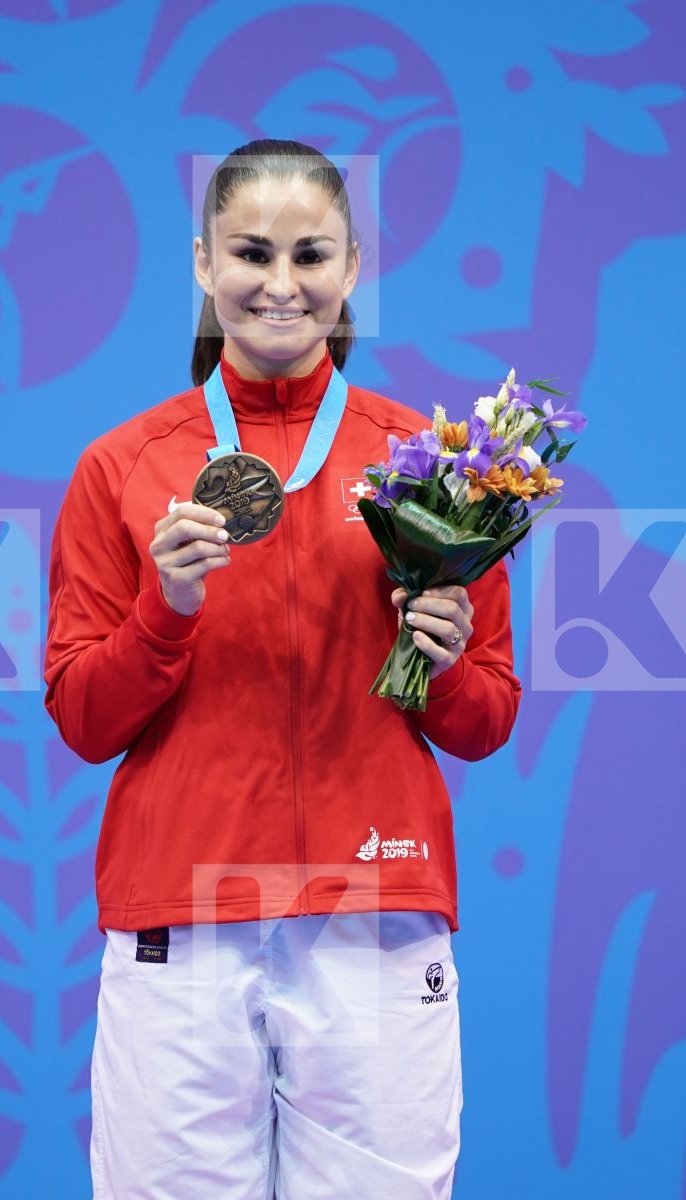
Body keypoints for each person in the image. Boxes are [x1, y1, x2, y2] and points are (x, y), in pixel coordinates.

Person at [44, 138, 521, 1200]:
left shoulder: (430, 469)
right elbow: (81, 718)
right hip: (184, 915)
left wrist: (440, 663)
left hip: (375, 909)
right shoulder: (122, 468)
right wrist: (160, 615)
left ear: (354, 268)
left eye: (310, 255)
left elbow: (485, 718)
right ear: (202, 266)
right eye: (249, 252)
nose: (279, 283)